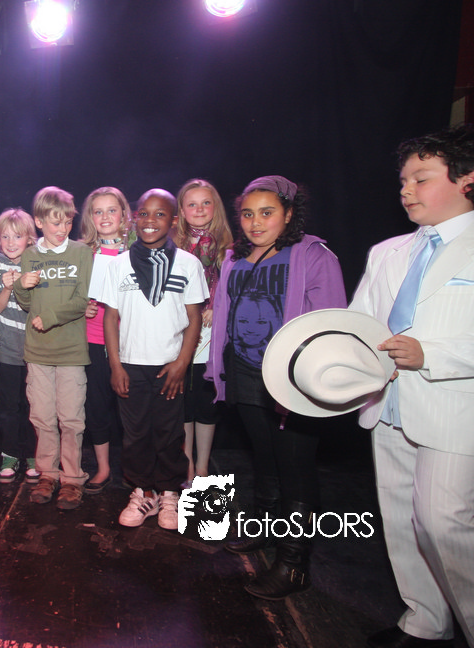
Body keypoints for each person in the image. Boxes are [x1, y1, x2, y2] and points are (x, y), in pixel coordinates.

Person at [348, 125, 474, 648]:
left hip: (457, 407)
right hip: (388, 402)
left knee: (443, 522)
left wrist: (432, 354)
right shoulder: (387, 251)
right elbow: (360, 323)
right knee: (403, 518)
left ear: (469, 178)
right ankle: (425, 620)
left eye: (421, 178)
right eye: (403, 180)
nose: (406, 190)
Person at [207, 175, 346, 600]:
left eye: (266, 213)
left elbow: (330, 324)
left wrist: (309, 380)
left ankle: (294, 564)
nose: (255, 222)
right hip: (245, 372)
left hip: (294, 382)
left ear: (288, 214)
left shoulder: (313, 255)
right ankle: (265, 530)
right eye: (248, 214)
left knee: (295, 467)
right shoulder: (234, 259)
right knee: (264, 457)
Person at [104, 189, 207, 529]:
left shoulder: (189, 264)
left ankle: (169, 493)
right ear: (134, 218)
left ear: (173, 220)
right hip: (130, 365)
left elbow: (194, 318)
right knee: (135, 435)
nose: (150, 220)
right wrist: (115, 365)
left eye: (160, 214)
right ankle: (142, 492)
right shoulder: (118, 264)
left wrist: (182, 363)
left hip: (170, 366)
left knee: (169, 433)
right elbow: (110, 318)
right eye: (144, 213)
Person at [13, 186, 92, 510]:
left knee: (71, 419)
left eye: (67, 222)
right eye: (55, 222)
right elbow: (25, 303)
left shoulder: (81, 253)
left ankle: (72, 479)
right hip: (38, 351)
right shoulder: (30, 255)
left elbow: (83, 300)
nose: (62, 229)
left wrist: (51, 317)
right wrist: (21, 286)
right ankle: (48, 474)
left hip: (71, 350)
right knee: (43, 417)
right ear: (39, 221)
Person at [174, 179, 232, 486]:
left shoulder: (229, 247)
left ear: (215, 207)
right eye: (192, 204)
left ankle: (203, 466)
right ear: (182, 210)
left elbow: (235, 289)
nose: (199, 210)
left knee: (207, 403)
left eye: (205, 203)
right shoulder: (172, 246)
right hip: (179, 333)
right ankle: (185, 465)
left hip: (212, 334)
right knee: (183, 404)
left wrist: (217, 307)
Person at [79, 187, 131, 495]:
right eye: (98, 211)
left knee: (132, 410)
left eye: (112, 210)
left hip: (131, 342)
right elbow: (71, 295)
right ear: (90, 217)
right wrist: (81, 306)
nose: (106, 216)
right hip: (93, 340)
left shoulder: (138, 251)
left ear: (124, 214)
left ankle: (135, 469)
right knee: (97, 407)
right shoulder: (83, 254)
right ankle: (103, 468)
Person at [0, 208, 39, 484]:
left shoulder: (37, 263)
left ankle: (34, 455)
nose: (11, 243)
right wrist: (7, 287)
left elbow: (38, 307)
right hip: (6, 351)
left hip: (34, 352)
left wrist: (24, 284)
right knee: (8, 408)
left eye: (17, 236)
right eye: (5, 236)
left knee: (34, 408)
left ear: (29, 238)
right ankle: (9, 454)